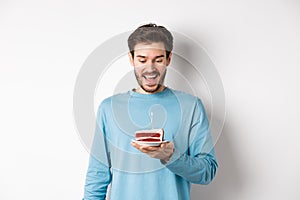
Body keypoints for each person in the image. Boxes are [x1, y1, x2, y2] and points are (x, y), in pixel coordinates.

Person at [83, 23, 218, 200]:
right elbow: (97, 175)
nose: (150, 68)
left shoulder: (191, 107)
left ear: (168, 59)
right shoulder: (109, 108)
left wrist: (171, 156)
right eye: (142, 59)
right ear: (131, 59)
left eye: (158, 59)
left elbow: (207, 172)